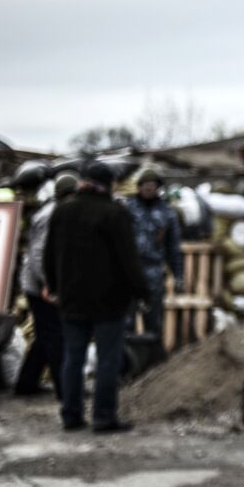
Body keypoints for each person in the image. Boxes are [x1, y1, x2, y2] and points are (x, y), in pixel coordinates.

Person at [43, 161, 148, 433]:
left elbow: (49, 255)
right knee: (108, 360)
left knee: (73, 358)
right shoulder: (114, 213)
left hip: (71, 298)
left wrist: (54, 287)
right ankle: (103, 416)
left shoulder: (62, 211)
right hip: (109, 300)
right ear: (108, 185)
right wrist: (142, 291)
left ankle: (71, 415)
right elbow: (129, 259)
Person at [15, 172, 78, 397]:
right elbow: (39, 254)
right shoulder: (51, 216)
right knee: (54, 335)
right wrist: (50, 285)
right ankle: (65, 388)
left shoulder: (56, 212)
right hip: (40, 285)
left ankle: (26, 383)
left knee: (45, 335)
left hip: (40, 282)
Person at [121, 166, 185, 341]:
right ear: (139, 186)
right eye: (145, 184)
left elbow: (173, 247)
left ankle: (153, 358)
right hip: (129, 271)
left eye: (153, 184)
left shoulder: (167, 213)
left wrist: (178, 275)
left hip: (154, 271)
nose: (149, 188)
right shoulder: (127, 209)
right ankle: (128, 361)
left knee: (154, 319)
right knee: (126, 319)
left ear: (158, 187)